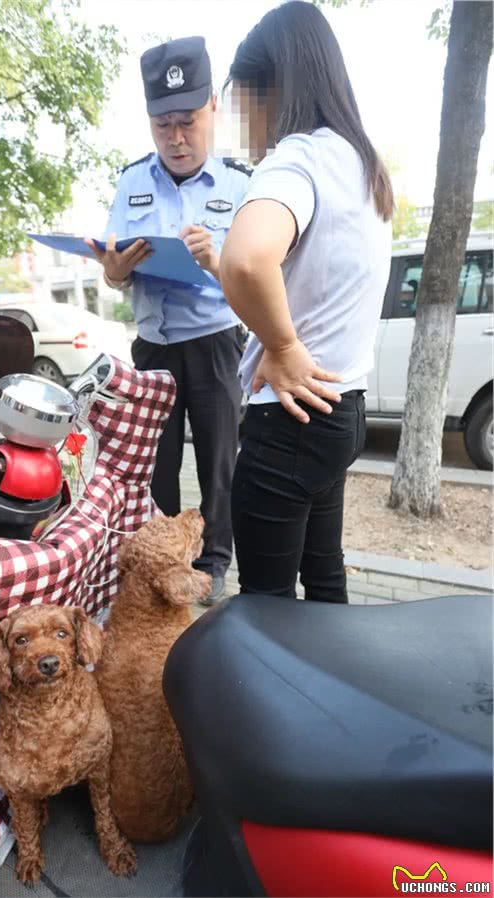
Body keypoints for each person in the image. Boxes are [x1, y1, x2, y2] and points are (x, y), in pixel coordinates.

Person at [219, 1, 394, 602]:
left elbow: (245, 259)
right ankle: (337, 696)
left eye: (243, 99)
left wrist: (283, 345)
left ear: (271, 85)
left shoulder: (298, 157)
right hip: (341, 409)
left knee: (264, 609)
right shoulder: (361, 164)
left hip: (290, 417)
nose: (244, 119)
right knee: (325, 582)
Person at [87, 37, 251, 605]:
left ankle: (214, 562)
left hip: (215, 343)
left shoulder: (242, 184)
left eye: (187, 122)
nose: (176, 139)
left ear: (212, 110)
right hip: (153, 346)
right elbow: (116, 270)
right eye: (162, 126)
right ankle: (160, 563)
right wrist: (112, 271)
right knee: (152, 467)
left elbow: (262, 274)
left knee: (218, 464)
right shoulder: (132, 180)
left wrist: (217, 259)